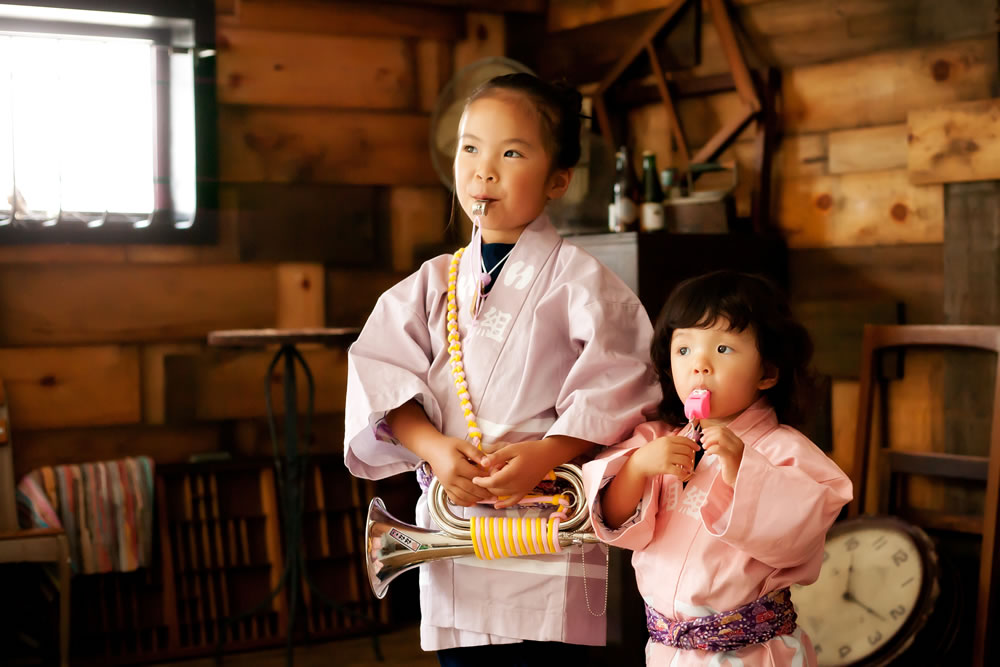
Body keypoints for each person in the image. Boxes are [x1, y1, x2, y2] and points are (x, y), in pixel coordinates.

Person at [344, 72, 659, 665]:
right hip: (453, 530)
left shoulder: (584, 283)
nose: (483, 170)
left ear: (558, 180)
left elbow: (621, 388)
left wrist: (546, 454)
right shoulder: (432, 282)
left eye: (511, 152)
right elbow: (381, 376)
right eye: (470, 148)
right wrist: (436, 449)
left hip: (543, 526)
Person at [583, 270, 853, 666]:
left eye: (723, 350)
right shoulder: (656, 440)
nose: (700, 366)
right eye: (684, 350)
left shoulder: (787, 452)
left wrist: (742, 466)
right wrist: (638, 468)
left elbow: (799, 534)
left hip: (752, 655)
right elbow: (613, 517)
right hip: (666, 652)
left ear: (768, 372)